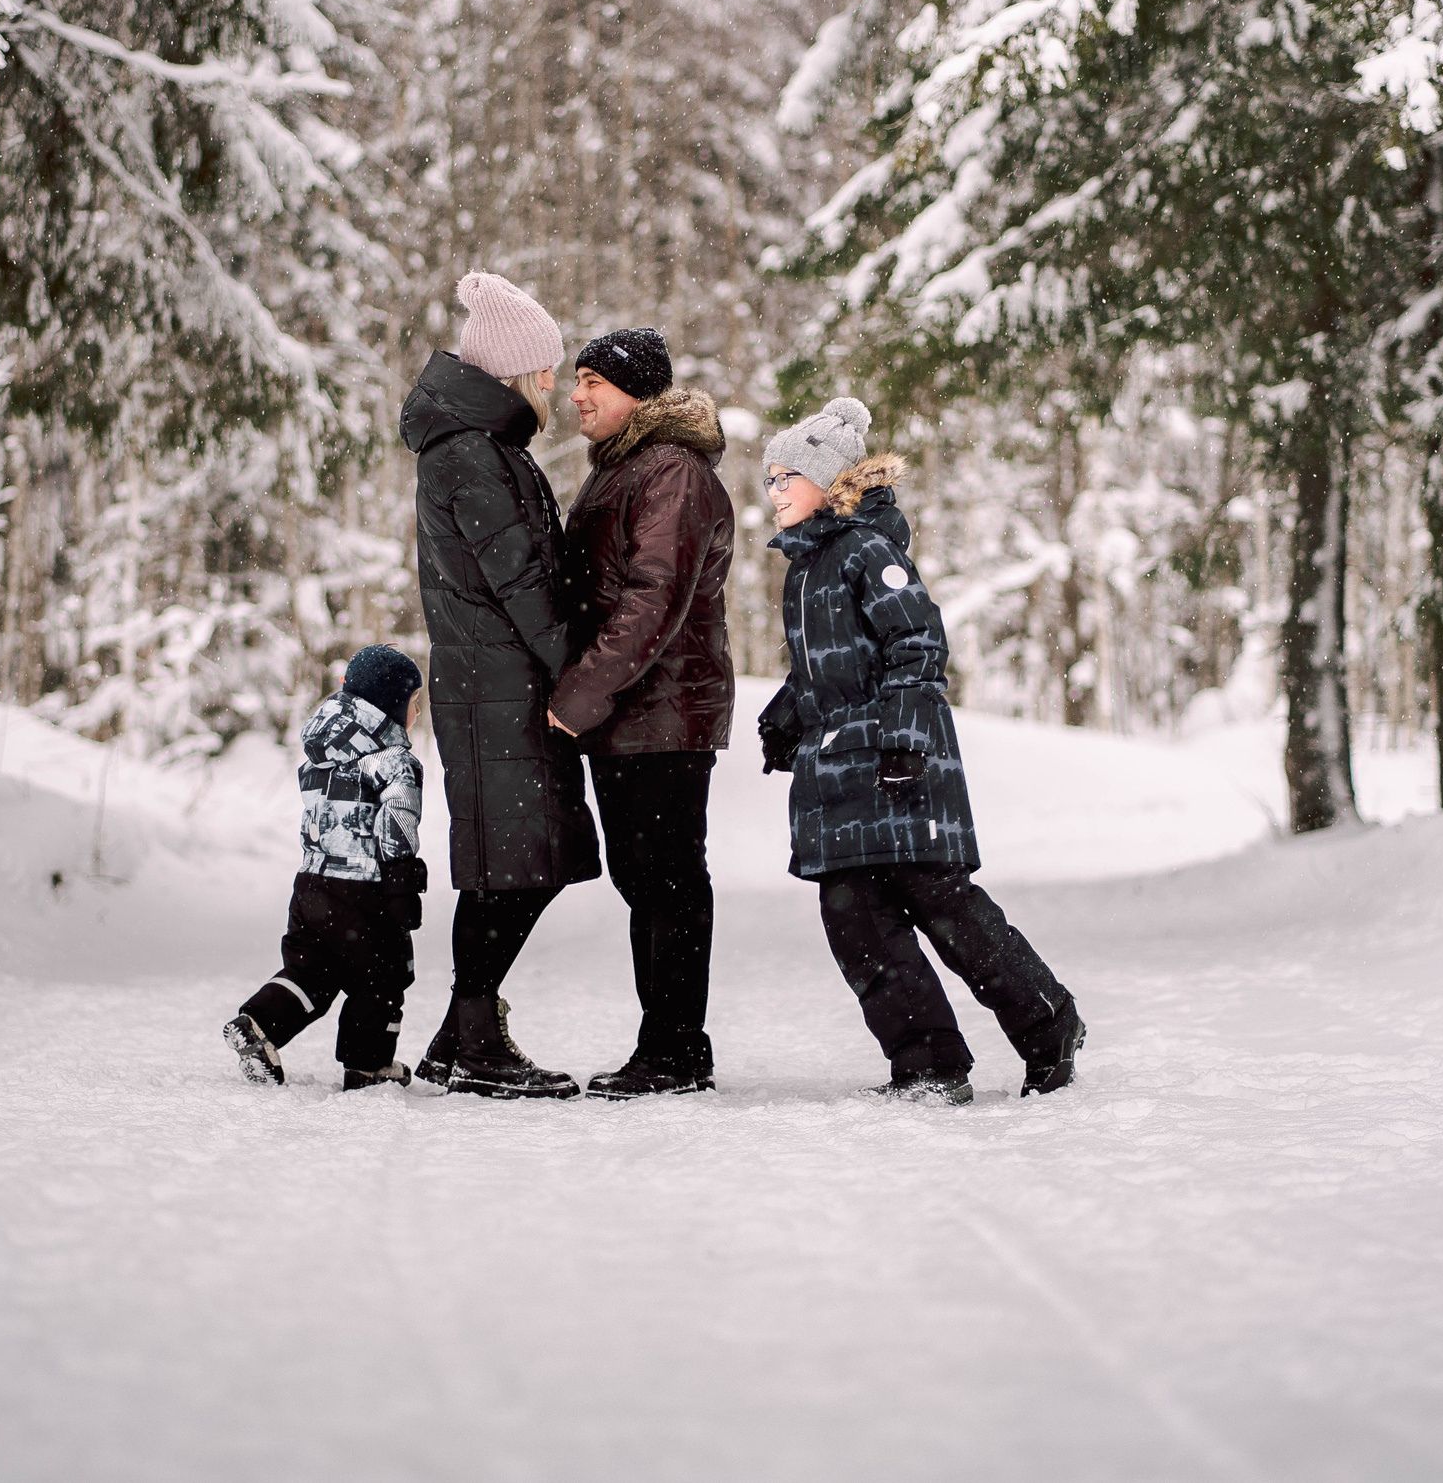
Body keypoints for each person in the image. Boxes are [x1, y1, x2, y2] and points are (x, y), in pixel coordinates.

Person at [756, 398, 1085, 1104]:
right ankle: (928, 1063)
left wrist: (905, 740)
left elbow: (917, 644)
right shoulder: (806, 566)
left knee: (945, 908)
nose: (774, 490)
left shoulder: (868, 551)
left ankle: (1050, 1023)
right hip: (840, 772)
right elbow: (829, 669)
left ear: (830, 481)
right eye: (770, 479)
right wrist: (785, 717)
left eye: (788, 477)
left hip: (898, 769)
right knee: (856, 920)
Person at [399, 271, 602, 1099]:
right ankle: (474, 1038)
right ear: (514, 371)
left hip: (499, 685)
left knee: (521, 861)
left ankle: (460, 1037)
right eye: (543, 367)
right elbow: (521, 581)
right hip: (500, 689)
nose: (552, 382)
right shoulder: (471, 455)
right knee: (516, 866)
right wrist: (580, 677)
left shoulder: (483, 447)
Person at [550, 327, 735, 1097]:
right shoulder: (625, 466)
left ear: (637, 393)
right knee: (646, 878)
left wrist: (580, 693)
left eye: (593, 381)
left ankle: (677, 1051)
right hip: (631, 715)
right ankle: (667, 1045)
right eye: (576, 380)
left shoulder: (671, 471)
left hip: (663, 711)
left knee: (667, 879)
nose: (577, 395)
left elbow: (653, 596)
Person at [224, 645, 430, 1091]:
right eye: (414, 702)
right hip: (365, 889)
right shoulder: (394, 760)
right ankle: (368, 1064)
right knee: (382, 975)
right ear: (390, 705)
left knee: (311, 970)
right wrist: (401, 883)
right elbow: (397, 819)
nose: (417, 712)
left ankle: (258, 1024)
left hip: (313, 884)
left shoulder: (320, 755)